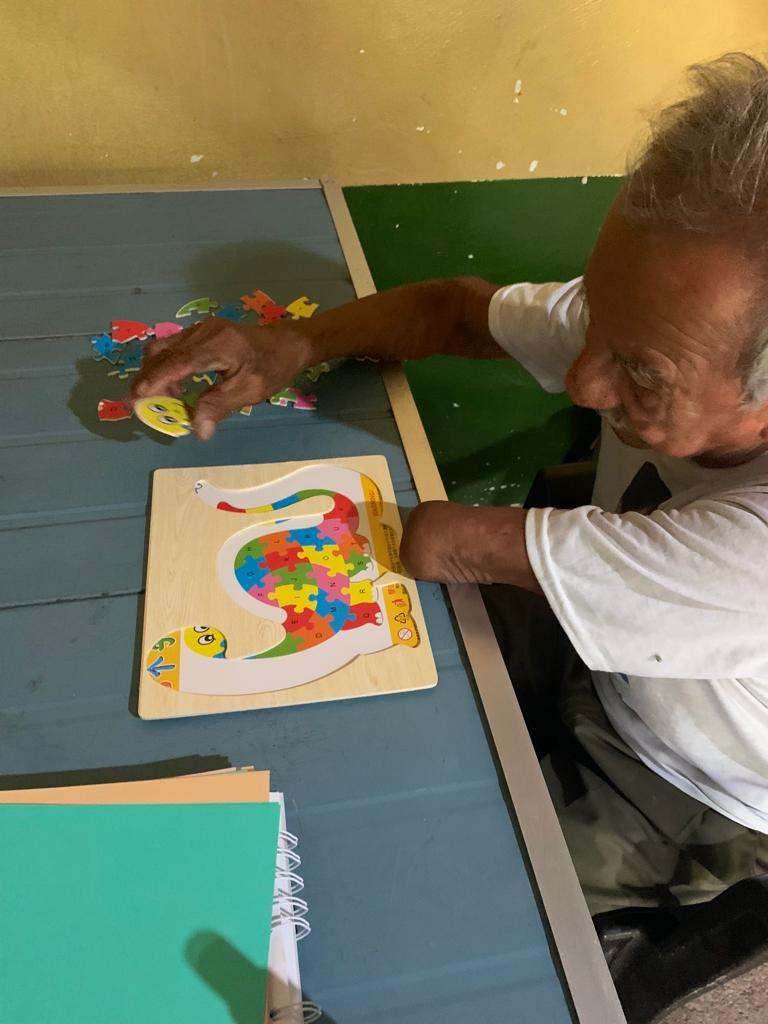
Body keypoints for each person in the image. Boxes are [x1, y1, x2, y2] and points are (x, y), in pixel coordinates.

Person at [133, 53, 768, 914]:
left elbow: (443, 541)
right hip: (597, 643)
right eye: (597, 313)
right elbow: (454, 309)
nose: (582, 381)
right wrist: (296, 344)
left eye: (641, 372)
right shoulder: (660, 316)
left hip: (689, 783)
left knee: (431, 901)